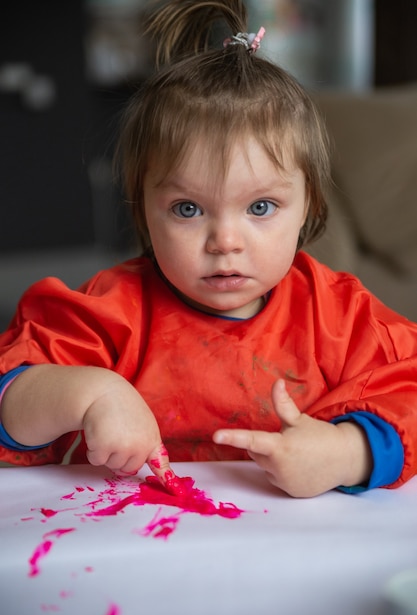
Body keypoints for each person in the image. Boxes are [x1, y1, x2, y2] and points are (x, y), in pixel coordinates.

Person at [0, 0, 416, 498]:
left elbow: (407, 388)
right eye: (188, 209)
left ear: (307, 206)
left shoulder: (341, 318)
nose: (225, 242)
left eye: (260, 207)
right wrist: (88, 394)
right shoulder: (108, 314)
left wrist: (348, 452)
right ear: (144, 212)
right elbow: (10, 393)